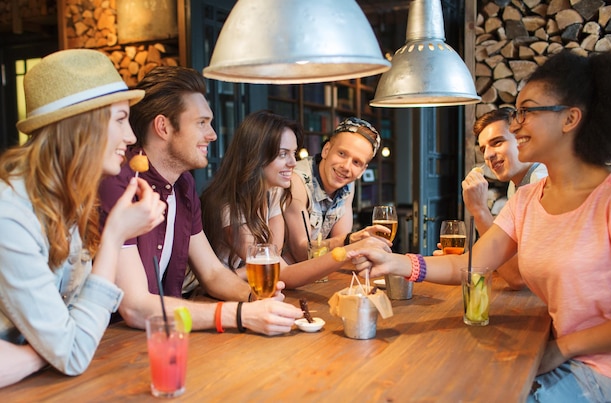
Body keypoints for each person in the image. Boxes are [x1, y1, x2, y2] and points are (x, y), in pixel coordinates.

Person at [349, 51, 611, 401]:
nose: (515, 125)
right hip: (568, 360)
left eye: (527, 111)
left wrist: (564, 347)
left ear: (570, 119)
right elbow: (472, 265)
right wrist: (396, 263)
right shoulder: (528, 199)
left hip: (610, 373)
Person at [0, 49, 164, 386]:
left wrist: (54, 348)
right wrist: (115, 236)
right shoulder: (10, 215)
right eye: (120, 119)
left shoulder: (64, 201)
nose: (132, 137)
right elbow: (74, 352)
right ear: (81, 126)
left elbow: (73, 334)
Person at [99, 66, 303, 336]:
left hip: (168, 335)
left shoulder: (184, 185)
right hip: (114, 345)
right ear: (163, 127)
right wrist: (241, 315)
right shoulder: (120, 182)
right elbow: (135, 307)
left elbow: (213, 274)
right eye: (202, 123)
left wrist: (257, 301)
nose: (213, 134)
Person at [200, 110, 391, 287]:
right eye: (283, 154)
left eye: (293, 153)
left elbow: (274, 264)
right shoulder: (230, 204)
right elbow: (281, 268)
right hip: (208, 296)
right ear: (256, 154)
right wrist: (349, 248)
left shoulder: (273, 193)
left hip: (246, 286)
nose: (293, 163)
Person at [283, 117, 390, 263]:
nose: (346, 167)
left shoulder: (347, 185)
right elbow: (302, 253)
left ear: (362, 171)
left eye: (356, 162)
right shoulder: (297, 182)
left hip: (315, 274)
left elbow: (341, 251)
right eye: (342, 154)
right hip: (280, 276)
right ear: (326, 150)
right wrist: (351, 240)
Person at [461, 109, 548, 289]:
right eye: (484, 149)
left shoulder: (542, 183)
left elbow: (518, 277)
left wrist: (479, 210)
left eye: (497, 142)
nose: (487, 155)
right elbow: (511, 254)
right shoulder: (515, 186)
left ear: (522, 138)